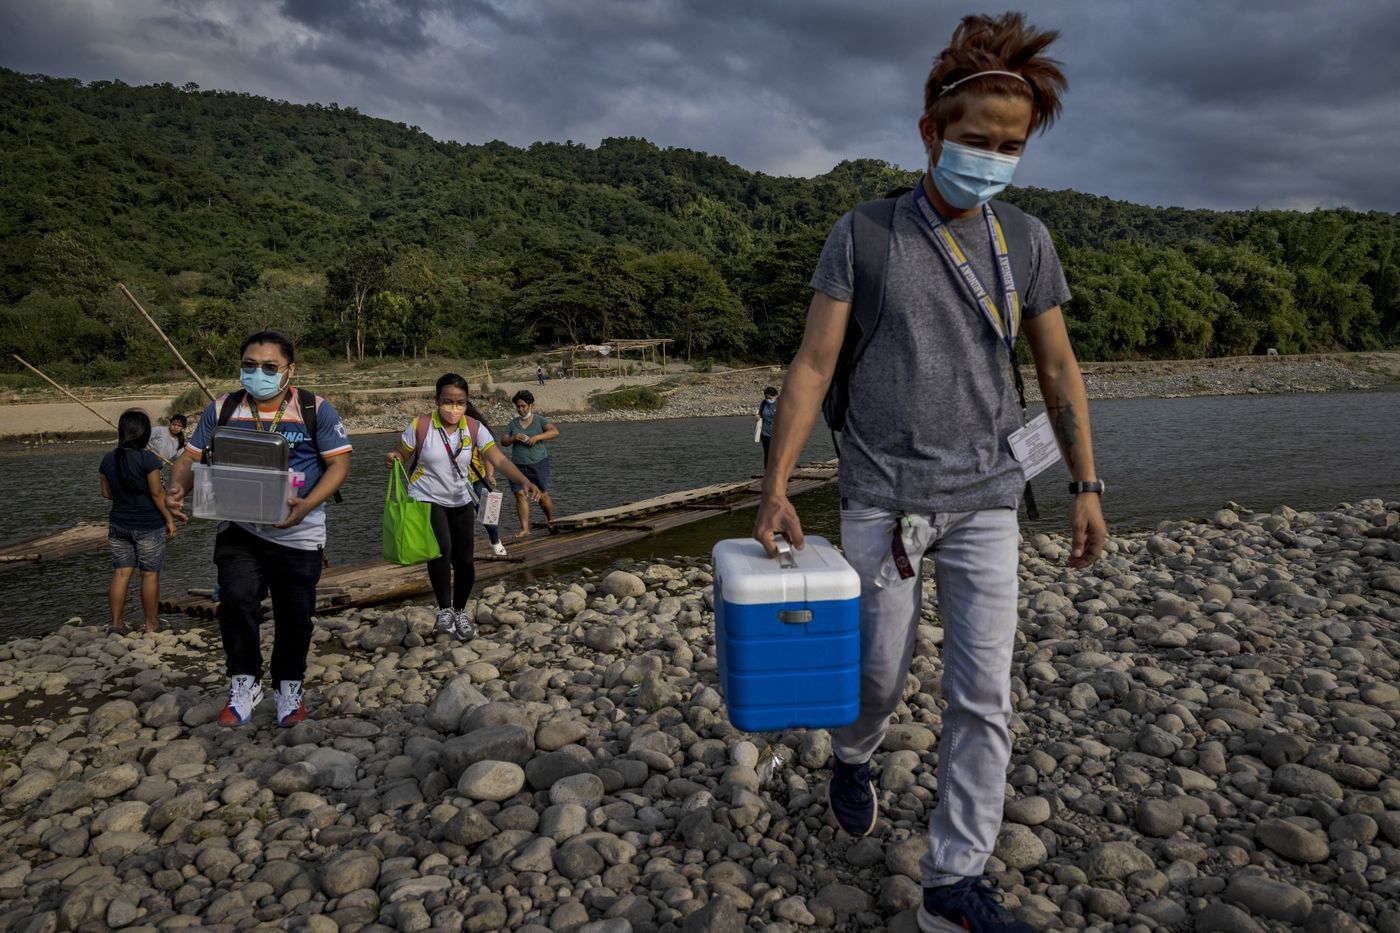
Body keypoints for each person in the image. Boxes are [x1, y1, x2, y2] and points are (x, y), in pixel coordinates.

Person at [752, 14, 1106, 933]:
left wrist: (1087, 484)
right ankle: (855, 752)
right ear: (931, 133)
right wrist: (777, 485)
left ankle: (954, 883)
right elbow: (813, 365)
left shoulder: (1025, 240)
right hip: (882, 497)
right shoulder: (865, 234)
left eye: (1010, 147)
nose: (992, 158)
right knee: (875, 673)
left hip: (989, 499)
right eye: (977, 141)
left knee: (981, 695)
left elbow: (1060, 370)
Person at [166, 330, 352, 728]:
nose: (258, 373)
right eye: (250, 365)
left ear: (289, 370)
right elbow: (190, 457)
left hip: (299, 531)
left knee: (295, 615)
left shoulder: (313, 408)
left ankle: (288, 686)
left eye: (270, 366)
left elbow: (338, 465)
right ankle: (244, 682)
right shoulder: (224, 407)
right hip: (239, 526)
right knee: (235, 601)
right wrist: (176, 488)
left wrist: (309, 504)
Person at [384, 374, 539, 639]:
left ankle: (458, 611)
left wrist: (524, 480)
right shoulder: (421, 425)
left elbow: (498, 460)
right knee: (441, 549)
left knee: (465, 560)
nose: (453, 408)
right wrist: (393, 457)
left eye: (460, 403)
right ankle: (444, 609)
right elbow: (401, 452)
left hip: (461, 498)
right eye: (448, 402)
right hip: (426, 496)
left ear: (466, 403)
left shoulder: (474, 428)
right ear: (437, 400)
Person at [99, 409, 177, 634]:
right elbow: (157, 494)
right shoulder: (148, 459)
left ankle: (116, 624)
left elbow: (106, 493)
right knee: (149, 573)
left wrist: (126, 497)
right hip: (148, 524)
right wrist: (170, 520)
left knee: (122, 573)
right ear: (145, 433)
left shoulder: (108, 458)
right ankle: (151, 624)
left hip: (118, 523)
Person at [500, 389, 559, 536]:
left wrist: (536, 438)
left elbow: (554, 432)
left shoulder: (539, 420)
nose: (520, 409)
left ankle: (551, 520)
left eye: (523, 406)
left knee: (541, 495)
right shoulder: (513, 423)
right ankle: (525, 529)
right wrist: (513, 438)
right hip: (517, 465)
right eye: (518, 406)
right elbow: (503, 441)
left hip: (538, 462)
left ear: (531, 405)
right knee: (519, 495)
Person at [756, 386, 779, 469]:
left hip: (778, 434)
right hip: (766, 433)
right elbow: (760, 414)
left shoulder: (780, 403)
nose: (768, 399)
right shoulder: (764, 403)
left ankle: (781, 474)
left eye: (770, 398)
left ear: (775, 396)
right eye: (766, 397)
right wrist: (758, 417)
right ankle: (768, 473)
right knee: (767, 454)